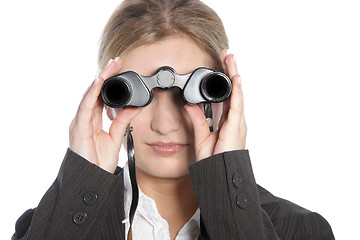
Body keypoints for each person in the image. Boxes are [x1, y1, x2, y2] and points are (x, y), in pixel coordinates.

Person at [12, 0, 335, 239]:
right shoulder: (49, 225)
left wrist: (227, 177)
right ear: (107, 100)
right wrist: (84, 173)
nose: (165, 125)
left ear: (225, 98)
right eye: (136, 93)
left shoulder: (300, 230)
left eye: (192, 92)